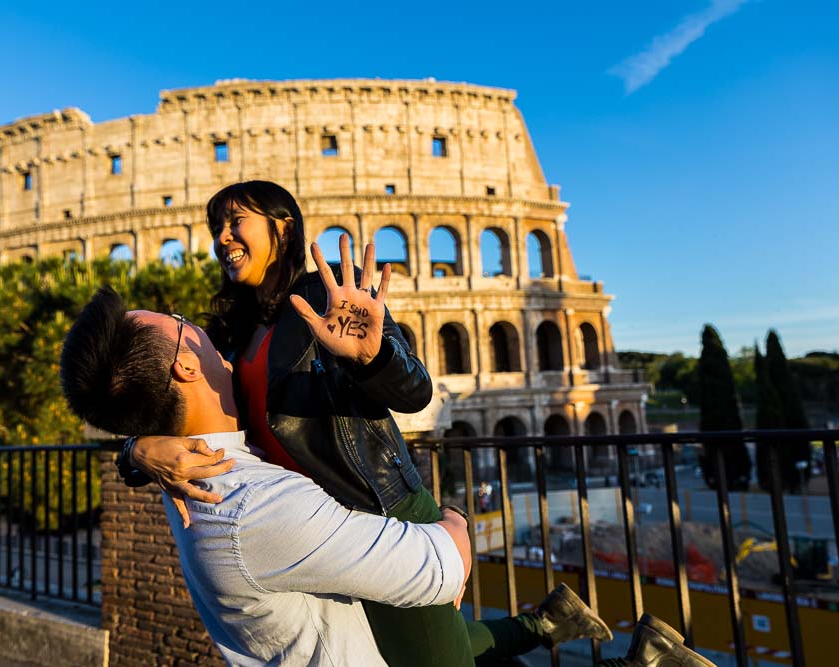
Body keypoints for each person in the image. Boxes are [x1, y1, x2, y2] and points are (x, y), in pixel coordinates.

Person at [59, 288, 715, 667]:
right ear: (183, 367)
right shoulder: (252, 509)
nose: (197, 327)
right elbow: (445, 565)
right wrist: (454, 515)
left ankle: (551, 626)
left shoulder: (199, 469)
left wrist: (138, 448)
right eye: (183, 327)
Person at [123, 180, 608, 665]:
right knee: (413, 650)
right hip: (309, 531)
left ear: (283, 227)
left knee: (437, 658)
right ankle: (547, 621)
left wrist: (373, 357)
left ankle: (633, 655)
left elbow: (415, 390)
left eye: (235, 221)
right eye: (217, 228)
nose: (222, 237)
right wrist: (137, 451)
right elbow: (171, 398)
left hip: (380, 512)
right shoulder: (232, 330)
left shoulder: (330, 291)